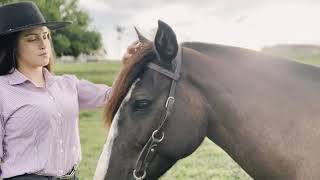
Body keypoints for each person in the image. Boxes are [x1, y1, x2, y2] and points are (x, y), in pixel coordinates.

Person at [0, 2, 140, 180]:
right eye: (32, 39)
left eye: (46, 36)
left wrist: (129, 67)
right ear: (12, 46)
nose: (44, 44)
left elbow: (114, 96)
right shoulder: (3, 92)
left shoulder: (67, 84)